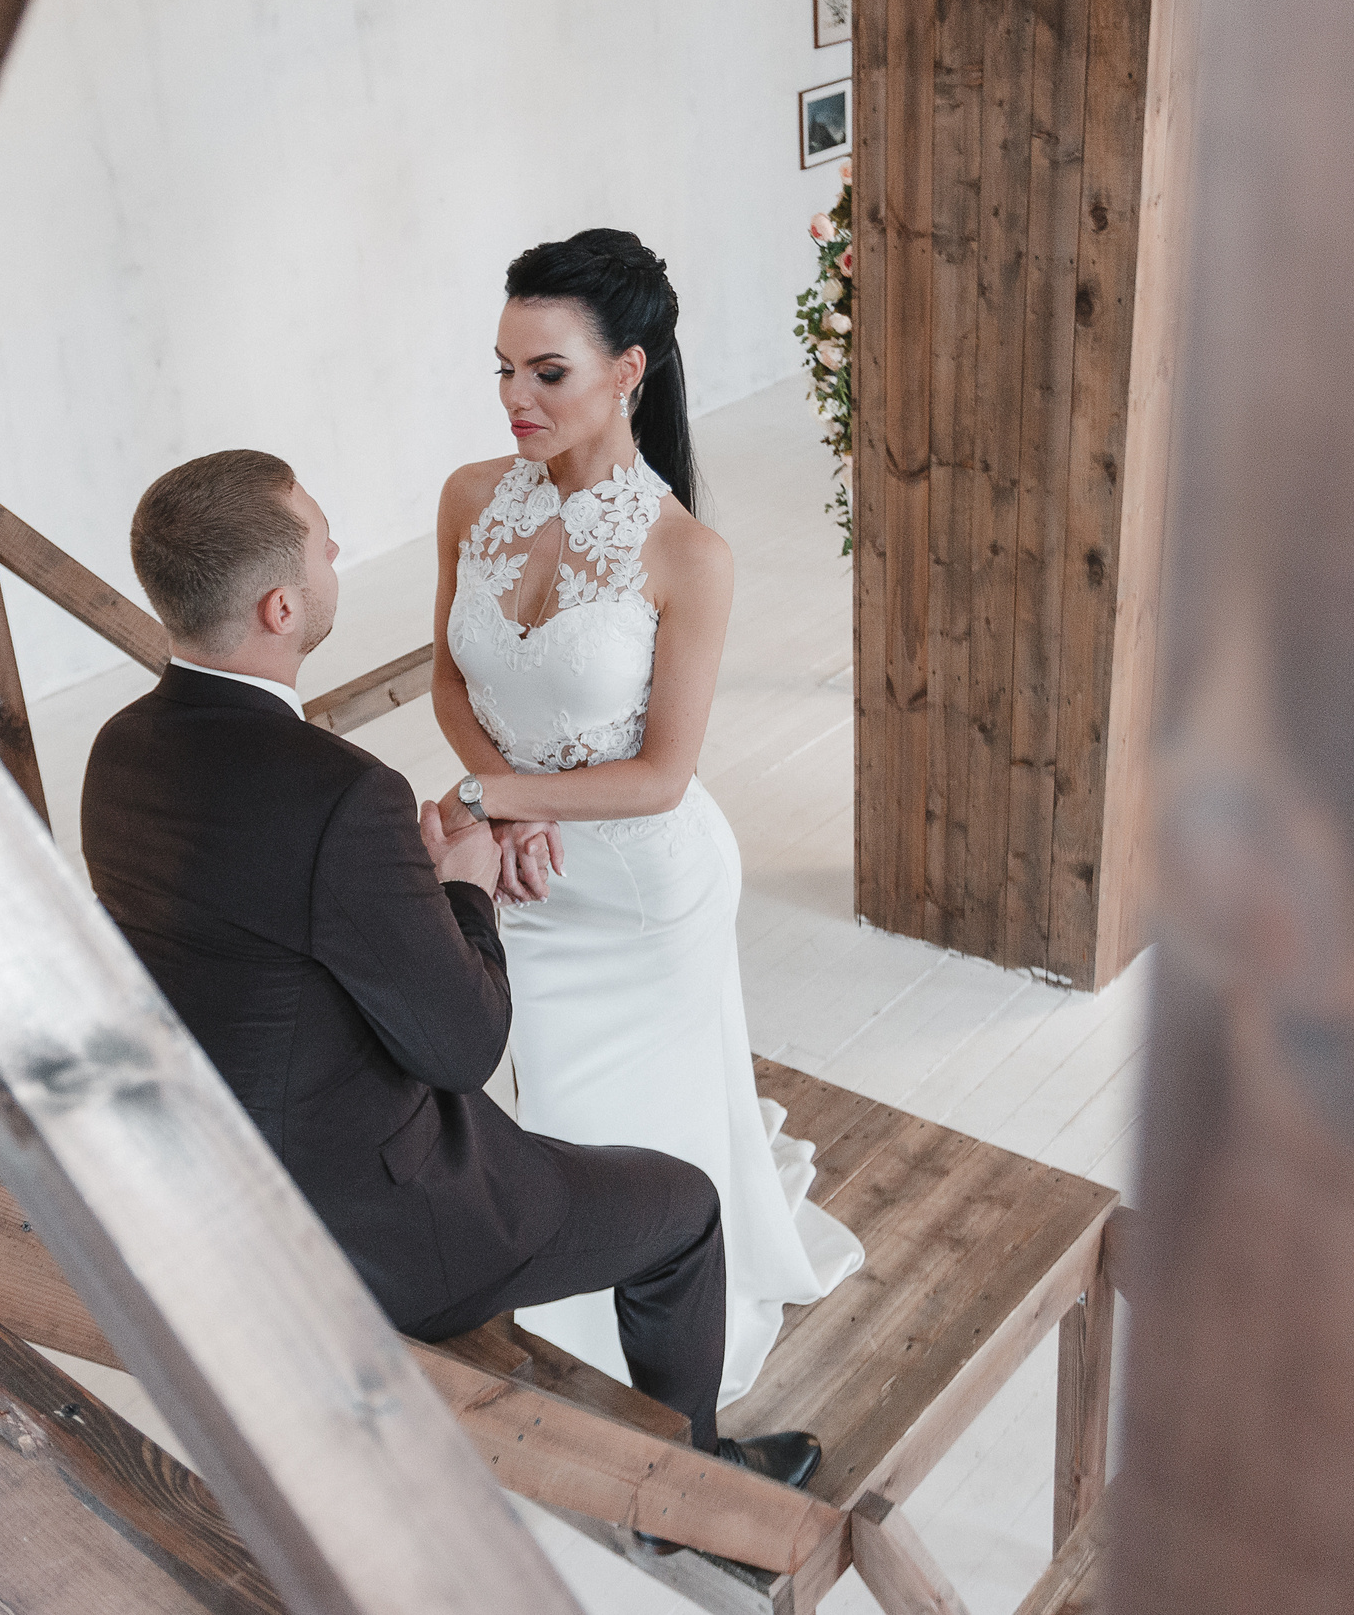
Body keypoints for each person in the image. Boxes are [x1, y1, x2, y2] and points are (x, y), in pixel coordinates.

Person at [82, 447, 818, 1484]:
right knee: (686, 1209)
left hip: (203, 1180)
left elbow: (265, 946)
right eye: (321, 539)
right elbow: (465, 1046)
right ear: (282, 609)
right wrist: (463, 888)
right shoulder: (344, 796)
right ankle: (696, 1490)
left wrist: (401, 892)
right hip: (359, 1230)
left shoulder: (117, 750)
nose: (338, 547)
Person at [428, 230, 863, 1407]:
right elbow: (451, 684)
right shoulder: (469, 498)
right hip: (523, 872)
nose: (515, 399)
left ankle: (644, 1356)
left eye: (547, 373)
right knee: (538, 1110)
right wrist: (504, 810)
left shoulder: (686, 555)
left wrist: (488, 800)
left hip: (638, 891)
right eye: (504, 369)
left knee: (624, 1132)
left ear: (628, 369)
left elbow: (664, 774)